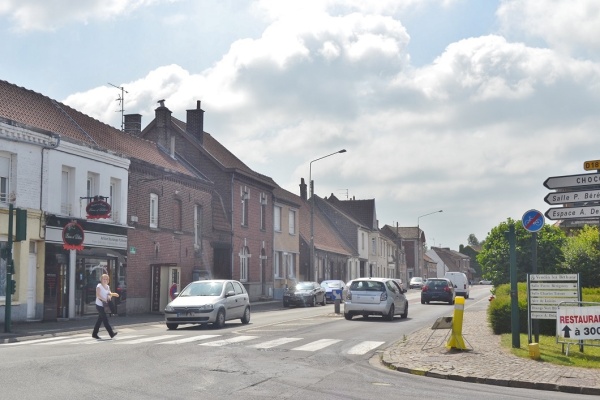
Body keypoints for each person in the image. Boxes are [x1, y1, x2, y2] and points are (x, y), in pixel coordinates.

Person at [92, 274, 119, 339]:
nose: (105, 280)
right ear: (101, 280)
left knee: (100, 320)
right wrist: (104, 299)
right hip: (99, 305)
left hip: (104, 306)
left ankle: (94, 334)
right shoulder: (99, 286)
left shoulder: (107, 287)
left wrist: (110, 296)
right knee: (105, 319)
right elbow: (98, 295)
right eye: (104, 279)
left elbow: (109, 294)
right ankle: (111, 333)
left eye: (106, 279)